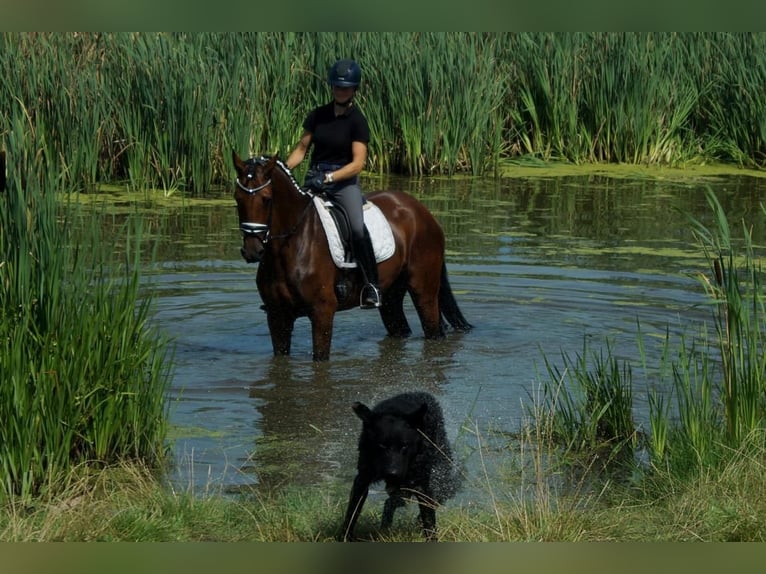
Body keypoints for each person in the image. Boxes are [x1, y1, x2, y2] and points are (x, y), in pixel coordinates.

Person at [285, 58, 381, 309]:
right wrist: (282, 169)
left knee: (357, 229)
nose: (341, 91)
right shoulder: (317, 115)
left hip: (343, 184)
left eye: (346, 87)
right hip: (314, 179)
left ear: (354, 90)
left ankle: (371, 285)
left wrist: (330, 177)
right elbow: (301, 149)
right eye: (337, 87)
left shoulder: (357, 121)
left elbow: (358, 163)